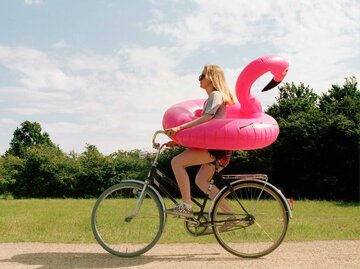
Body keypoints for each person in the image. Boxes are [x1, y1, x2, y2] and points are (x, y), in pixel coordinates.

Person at [165, 64, 235, 217]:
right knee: (201, 180)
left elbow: (207, 119)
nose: (199, 78)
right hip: (218, 149)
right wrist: (178, 142)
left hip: (215, 149)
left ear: (211, 77)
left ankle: (186, 206)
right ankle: (230, 215)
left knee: (177, 162)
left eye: (202, 75)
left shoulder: (216, 95)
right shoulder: (214, 97)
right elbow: (202, 133)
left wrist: (179, 128)